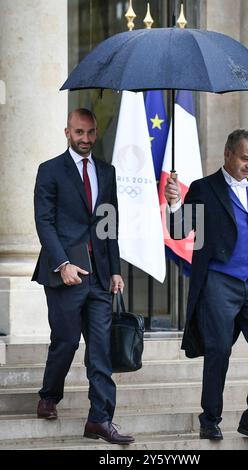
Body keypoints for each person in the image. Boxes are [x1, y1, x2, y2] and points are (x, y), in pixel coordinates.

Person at [164, 129, 248, 446]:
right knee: (218, 350)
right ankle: (210, 420)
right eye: (245, 158)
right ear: (228, 154)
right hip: (218, 281)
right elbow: (179, 232)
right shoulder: (204, 189)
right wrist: (174, 204)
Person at [32, 108, 134, 445]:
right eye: (79, 133)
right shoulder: (49, 171)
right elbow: (44, 222)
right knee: (65, 340)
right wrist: (62, 264)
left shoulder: (107, 172)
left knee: (101, 350)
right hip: (65, 274)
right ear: (67, 132)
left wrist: (116, 269)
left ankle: (100, 419)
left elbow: (109, 223)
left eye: (91, 133)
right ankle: (49, 394)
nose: (86, 139)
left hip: (100, 277)